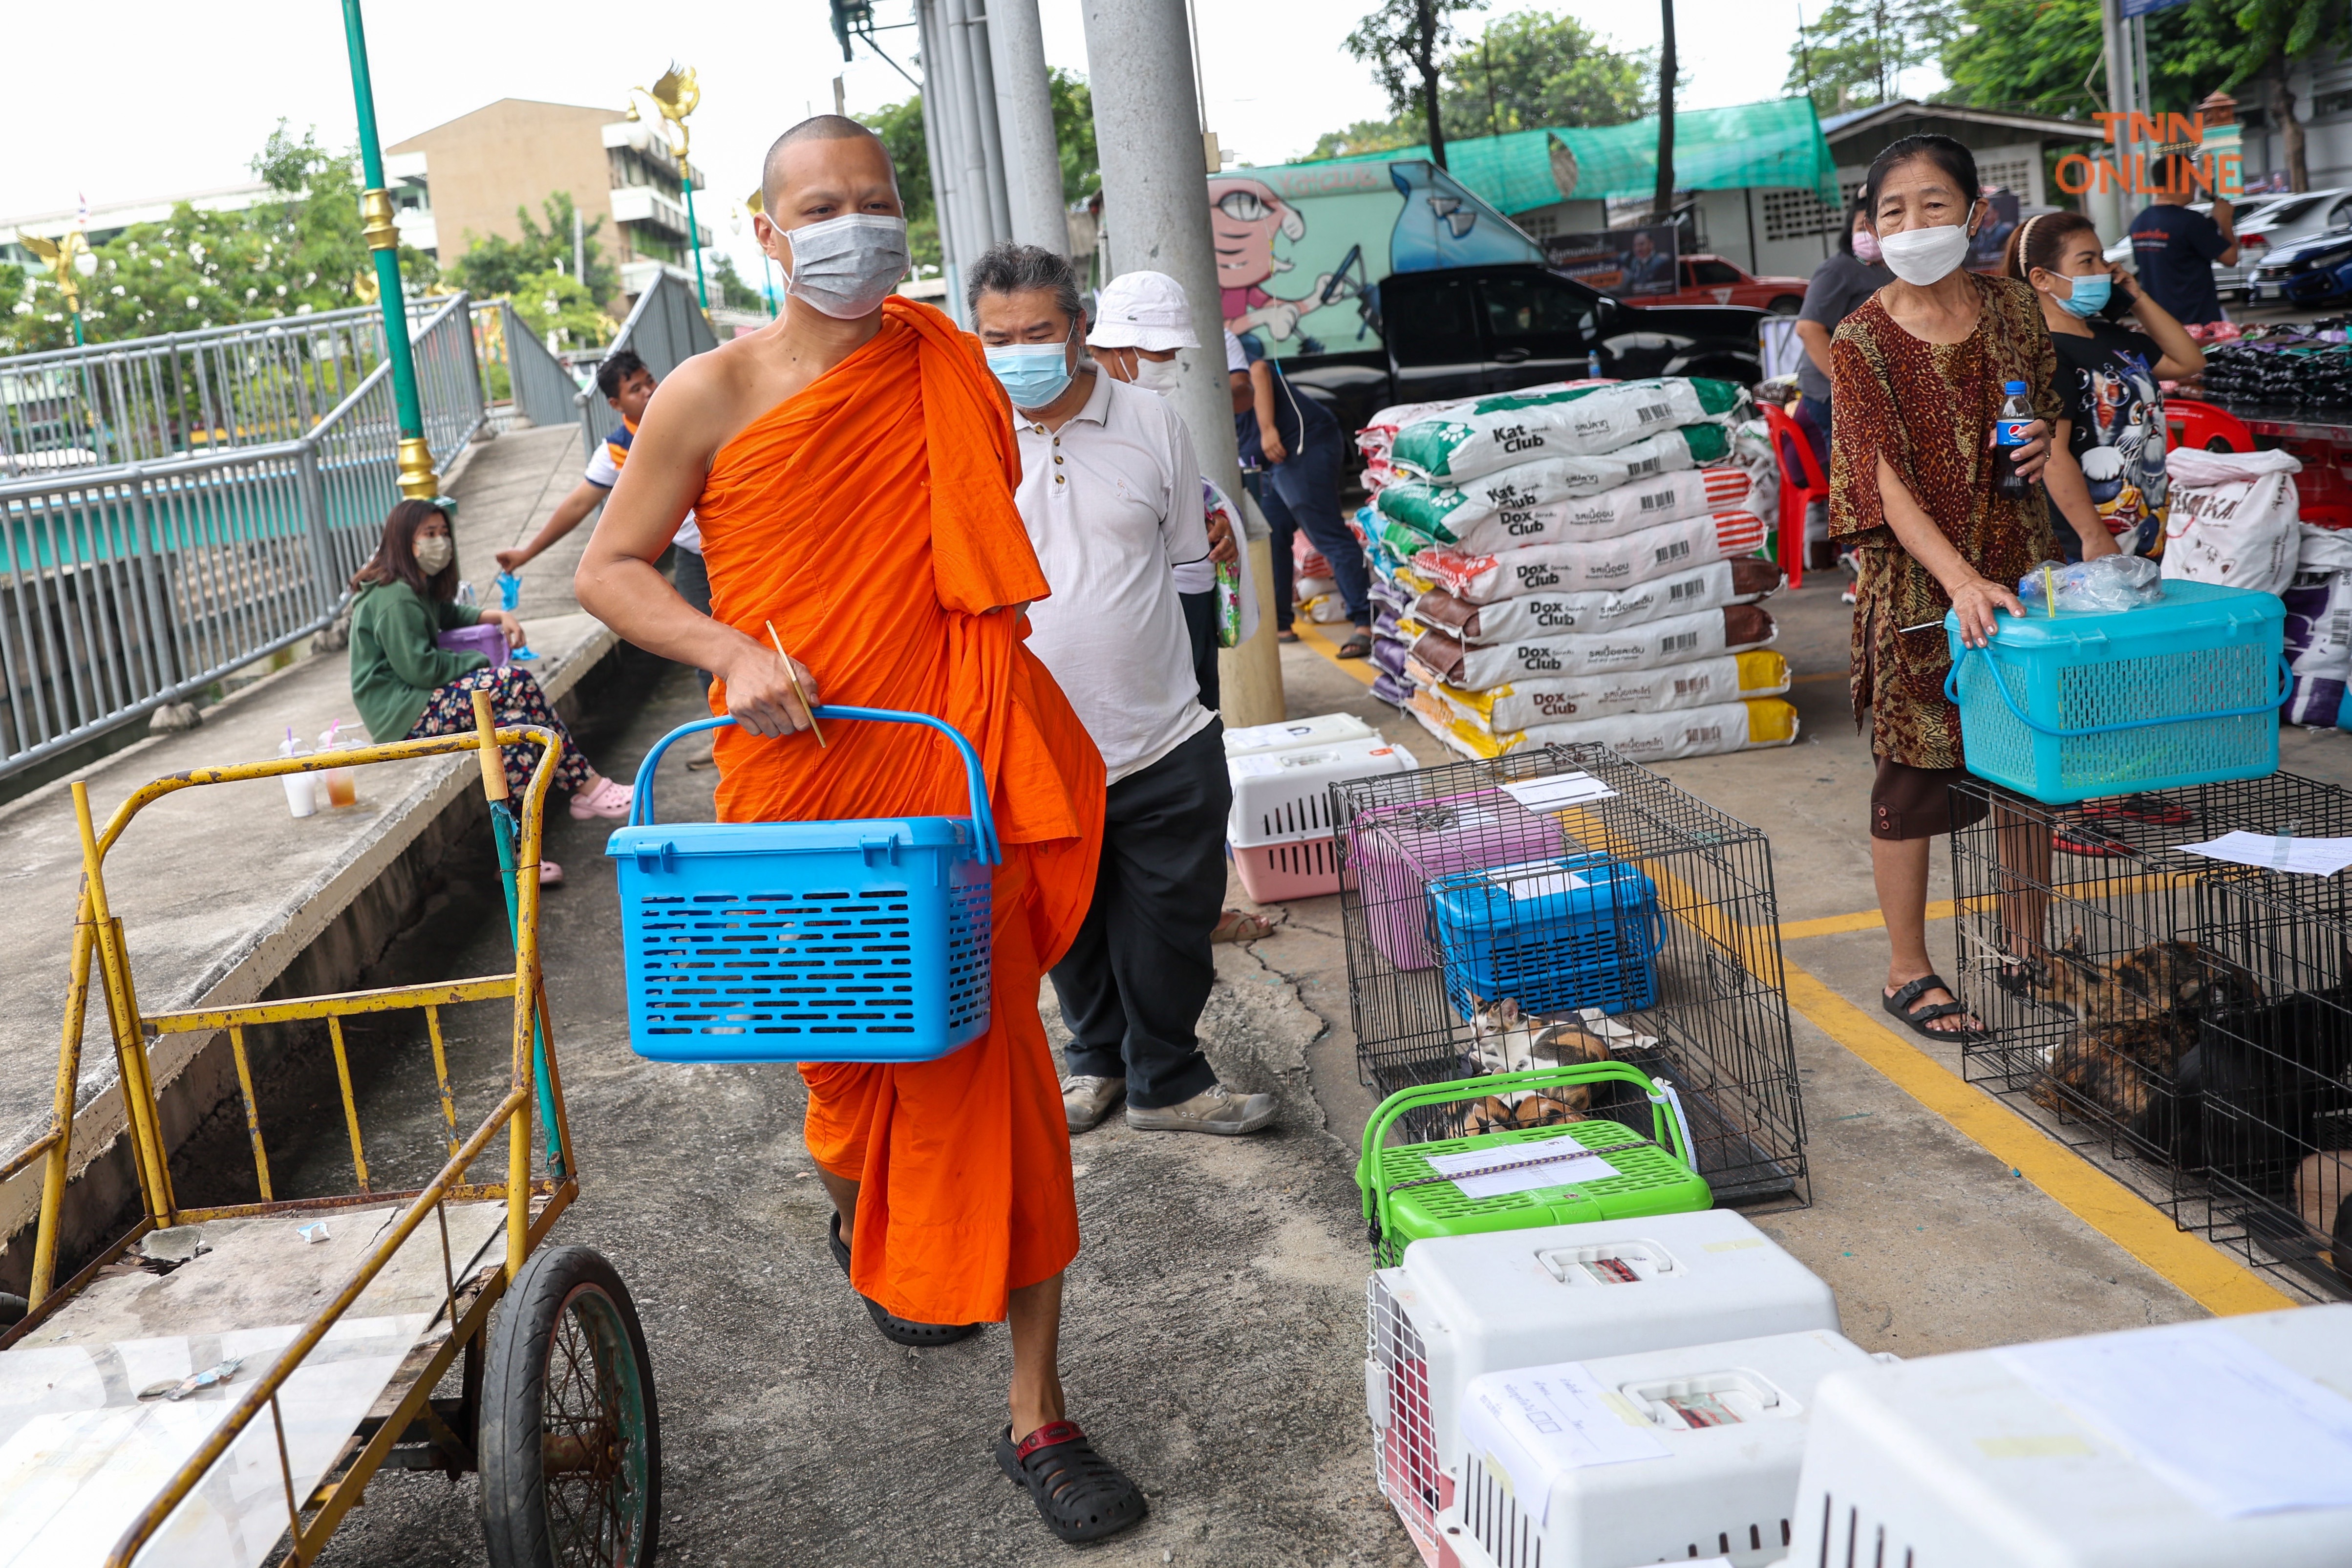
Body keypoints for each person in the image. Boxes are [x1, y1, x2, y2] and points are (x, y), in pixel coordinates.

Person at [573, 116, 1144, 1547]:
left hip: (949, 774)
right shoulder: (703, 394)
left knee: (998, 1080)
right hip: (795, 790)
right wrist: (725, 650)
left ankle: (1039, 1414)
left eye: (876, 203)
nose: (852, 225)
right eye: (818, 206)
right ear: (765, 235)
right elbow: (608, 567)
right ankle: (864, 1214)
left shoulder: (939, 358)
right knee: (844, 1088)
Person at [968, 242, 1281, 1143]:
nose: (1017, 350)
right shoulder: (964, 434)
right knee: (1064, 916)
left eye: (1036, 330)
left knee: (1172, 908)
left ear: (1076, 328)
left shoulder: (1150, 420)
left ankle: (1169, 1077)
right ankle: (1094, 1063)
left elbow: (1189, 562)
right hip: (1029, 732)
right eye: (996, 336)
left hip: (1157, 722)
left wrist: (1201, 703)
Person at [1827, 133, 2058, 1042]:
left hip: (2021, 569)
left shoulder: (2011, 306)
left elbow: (2041, 411)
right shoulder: (1861, 338)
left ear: (1972, 213)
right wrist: (1958, 579)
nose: (1913, 223)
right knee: (1912, 773)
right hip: (1919, 589)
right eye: (1892, 210)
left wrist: (2042, 444)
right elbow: (1874, 477)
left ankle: (2027, 946)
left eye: (1932, 204)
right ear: (1870, 229)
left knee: (2027, 766)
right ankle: (1907, 968)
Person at [348, 499, 633, 885]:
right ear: (404, 540)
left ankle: (518, 860)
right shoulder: (394, 595)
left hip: (417, 704)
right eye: (429, 535)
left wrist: (495, 615)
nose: (441, 542)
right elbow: (420, 668)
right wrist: (479, 662)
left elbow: (446, 614)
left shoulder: (413, 588)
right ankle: (587, 785)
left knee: (513, 728)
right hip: (404, 714)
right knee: (515, 681)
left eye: (444, 533)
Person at [495, 350, 712, 683]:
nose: (649, 392)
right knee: (705, 651)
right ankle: (725, 728)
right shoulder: (616, 451)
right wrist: (525, 554)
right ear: (616, 404)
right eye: (636, 389)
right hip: (695, 556)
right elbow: (577, 506)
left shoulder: (693, 415)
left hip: (734, 538)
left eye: (650, 381)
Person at [1084, 269, 1242, 710]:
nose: (1170, 362)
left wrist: (1218, 523)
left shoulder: (1157, 416)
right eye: (1162, 351)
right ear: (1122, 347)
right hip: (1135, 614)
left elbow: (1186, 492)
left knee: (1193, 717)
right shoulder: (1078, 411)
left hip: (1185, 597)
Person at [2008, 211, 2205, 563]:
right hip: (2091, 537)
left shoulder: (2114, 337)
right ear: (2042, 279)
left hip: (2145, 523)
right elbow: (2053, 454)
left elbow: (2190, 362)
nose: (2104, 270)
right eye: (2087, 261)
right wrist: (2093, 536)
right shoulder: (2046, 352)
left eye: (2102, 258)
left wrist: (2137, 297)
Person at [1236, 332, 1369, 656]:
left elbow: (1260, 371)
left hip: (1305, 442)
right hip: (1274, 461)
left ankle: (1366, 622)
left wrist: (1268, 428)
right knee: (1272, 533)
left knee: (1324, 531)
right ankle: (1280, 623)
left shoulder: (1217, 353)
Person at [2127, 185, 2235, 328]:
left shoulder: (2140, 222)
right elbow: (2231, 258)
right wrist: (2225, 221)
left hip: (2160, 324)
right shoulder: (2191, 221)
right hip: (2197, 324)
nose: (2195, 187)